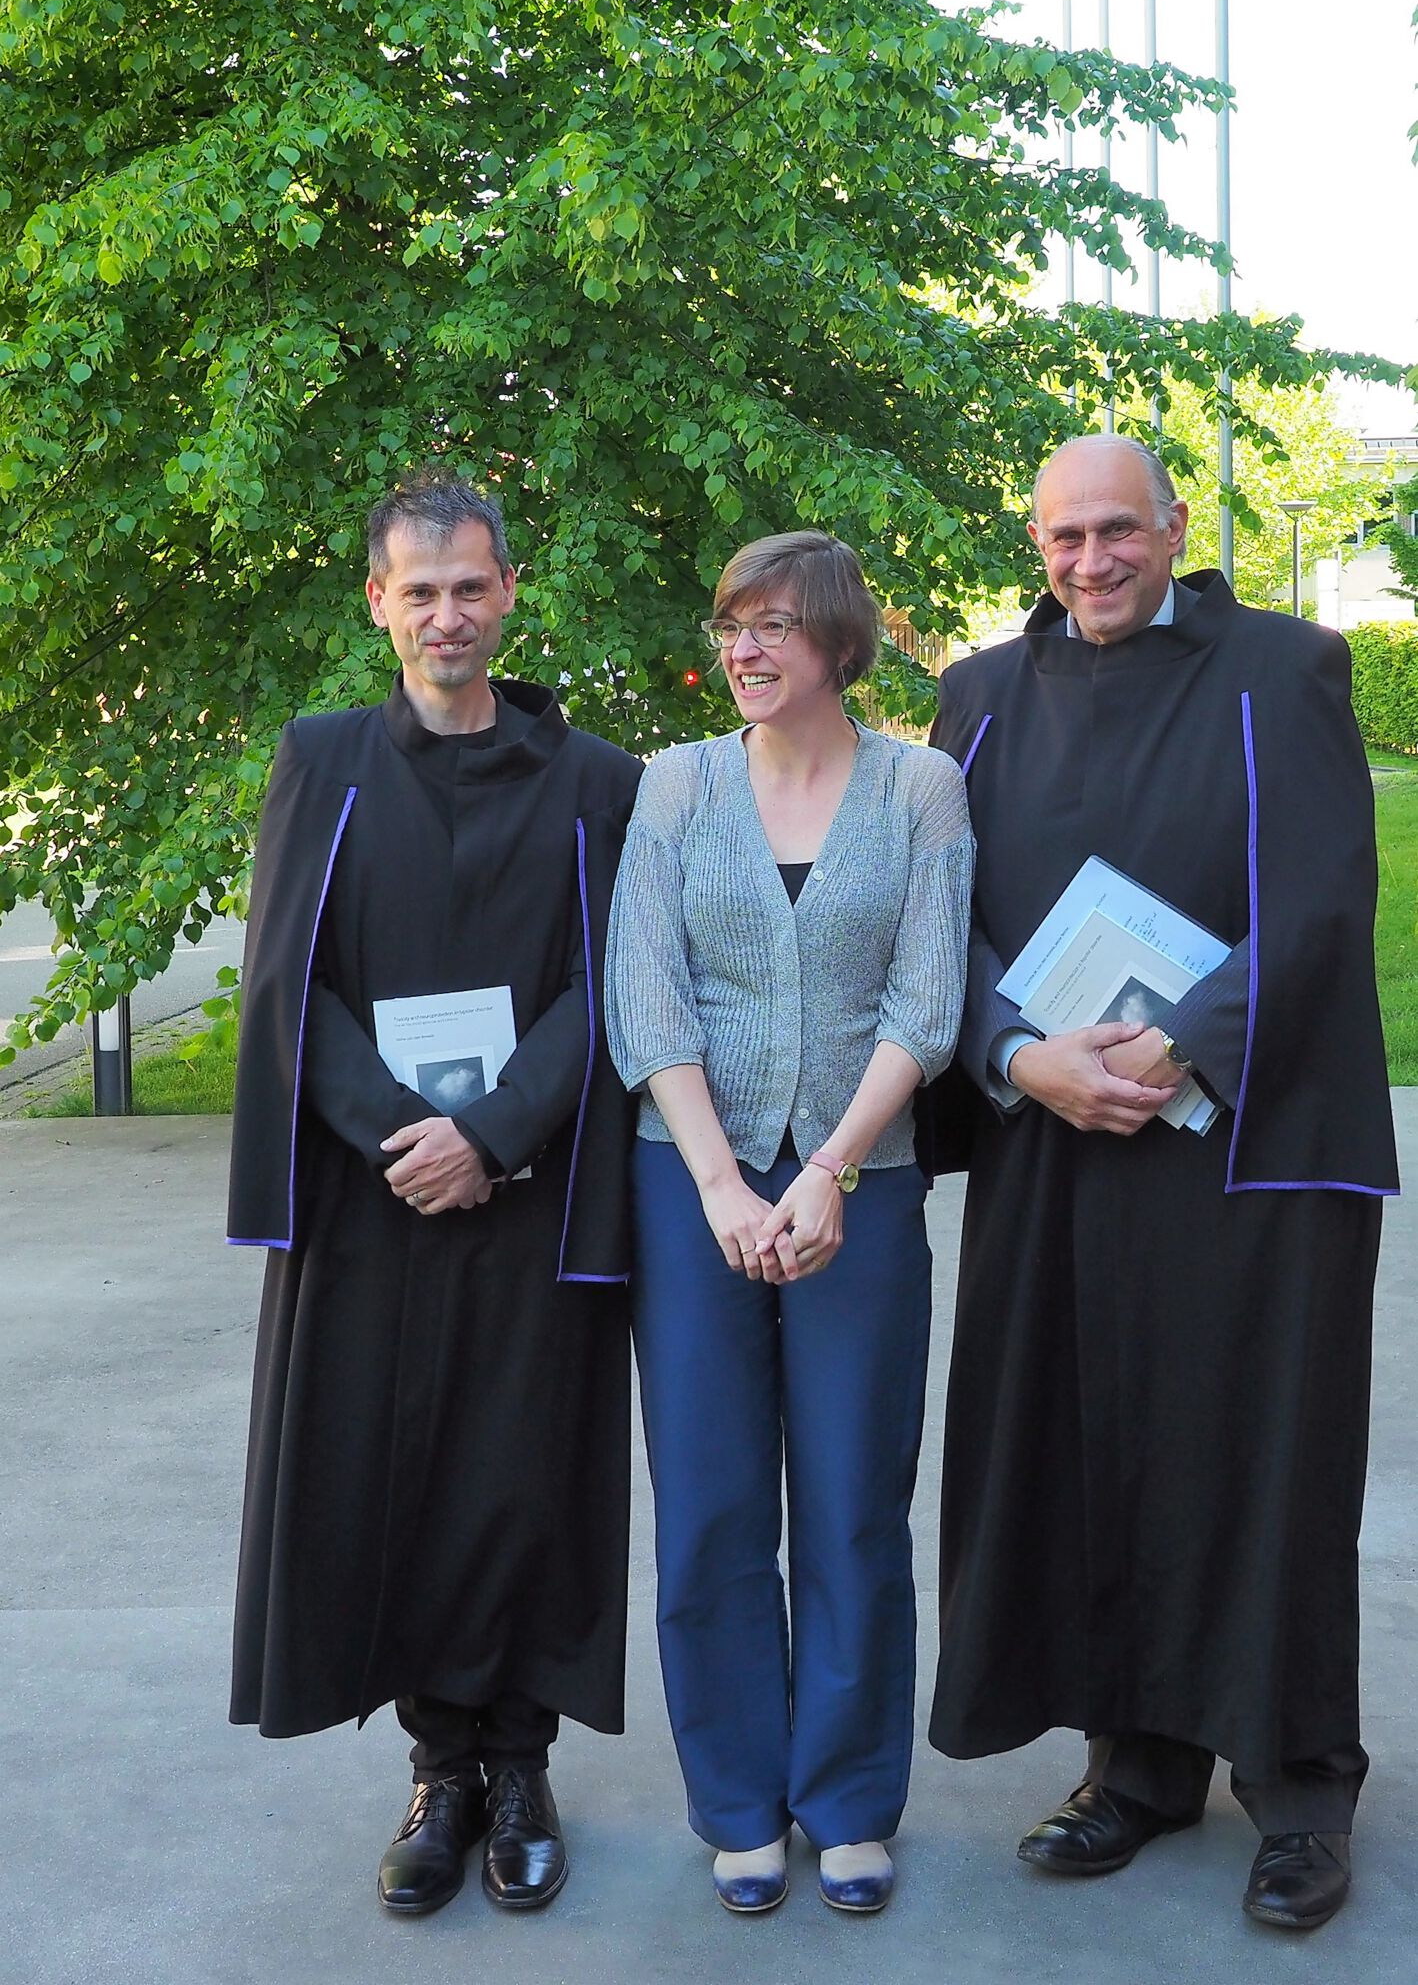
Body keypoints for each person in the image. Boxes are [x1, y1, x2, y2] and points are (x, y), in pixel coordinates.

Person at [924, 434, 1397, 1931]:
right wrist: (1015, 1054)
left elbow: (1321, 890)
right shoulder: (981, 700)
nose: (1087, 561)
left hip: (1245, 1140)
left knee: (1258, 1455)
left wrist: (1183, 1051)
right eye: (1061, 537)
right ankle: (1134, 1765)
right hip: (1056, 1137)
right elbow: (944, 926)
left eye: (1115, 531)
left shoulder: (1284, 667)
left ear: (1174, 526)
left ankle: (1298, 1783)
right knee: (1093, 1448)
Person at [227, 468, 643, 1918]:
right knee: (392, 1467)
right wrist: (406, 1134)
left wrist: (500, 1131)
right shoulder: (323, 760)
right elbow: (290, 981)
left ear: (511, 591)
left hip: (533, 1195)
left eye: (473, 587)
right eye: (421, 592)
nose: (448, 615)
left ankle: (519, 1765)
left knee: (520, 1475)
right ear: (377, 604)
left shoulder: (602, 783)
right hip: (374, 1195)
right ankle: (436, 1775)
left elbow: (613, 989)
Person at [606, 531, 972, 1915]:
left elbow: (924, 1005)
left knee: (850, 1508)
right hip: (685, 1176)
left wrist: (827, 1169)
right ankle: (740, 1804)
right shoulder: (674, 786)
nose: (746, 651)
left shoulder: (921, 789)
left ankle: (848, 1797)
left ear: (838, 643)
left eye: (774, 627)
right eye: (732, 627)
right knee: (706, 1508)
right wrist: (717, 1183)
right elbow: (648, 999)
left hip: (858, 1189)